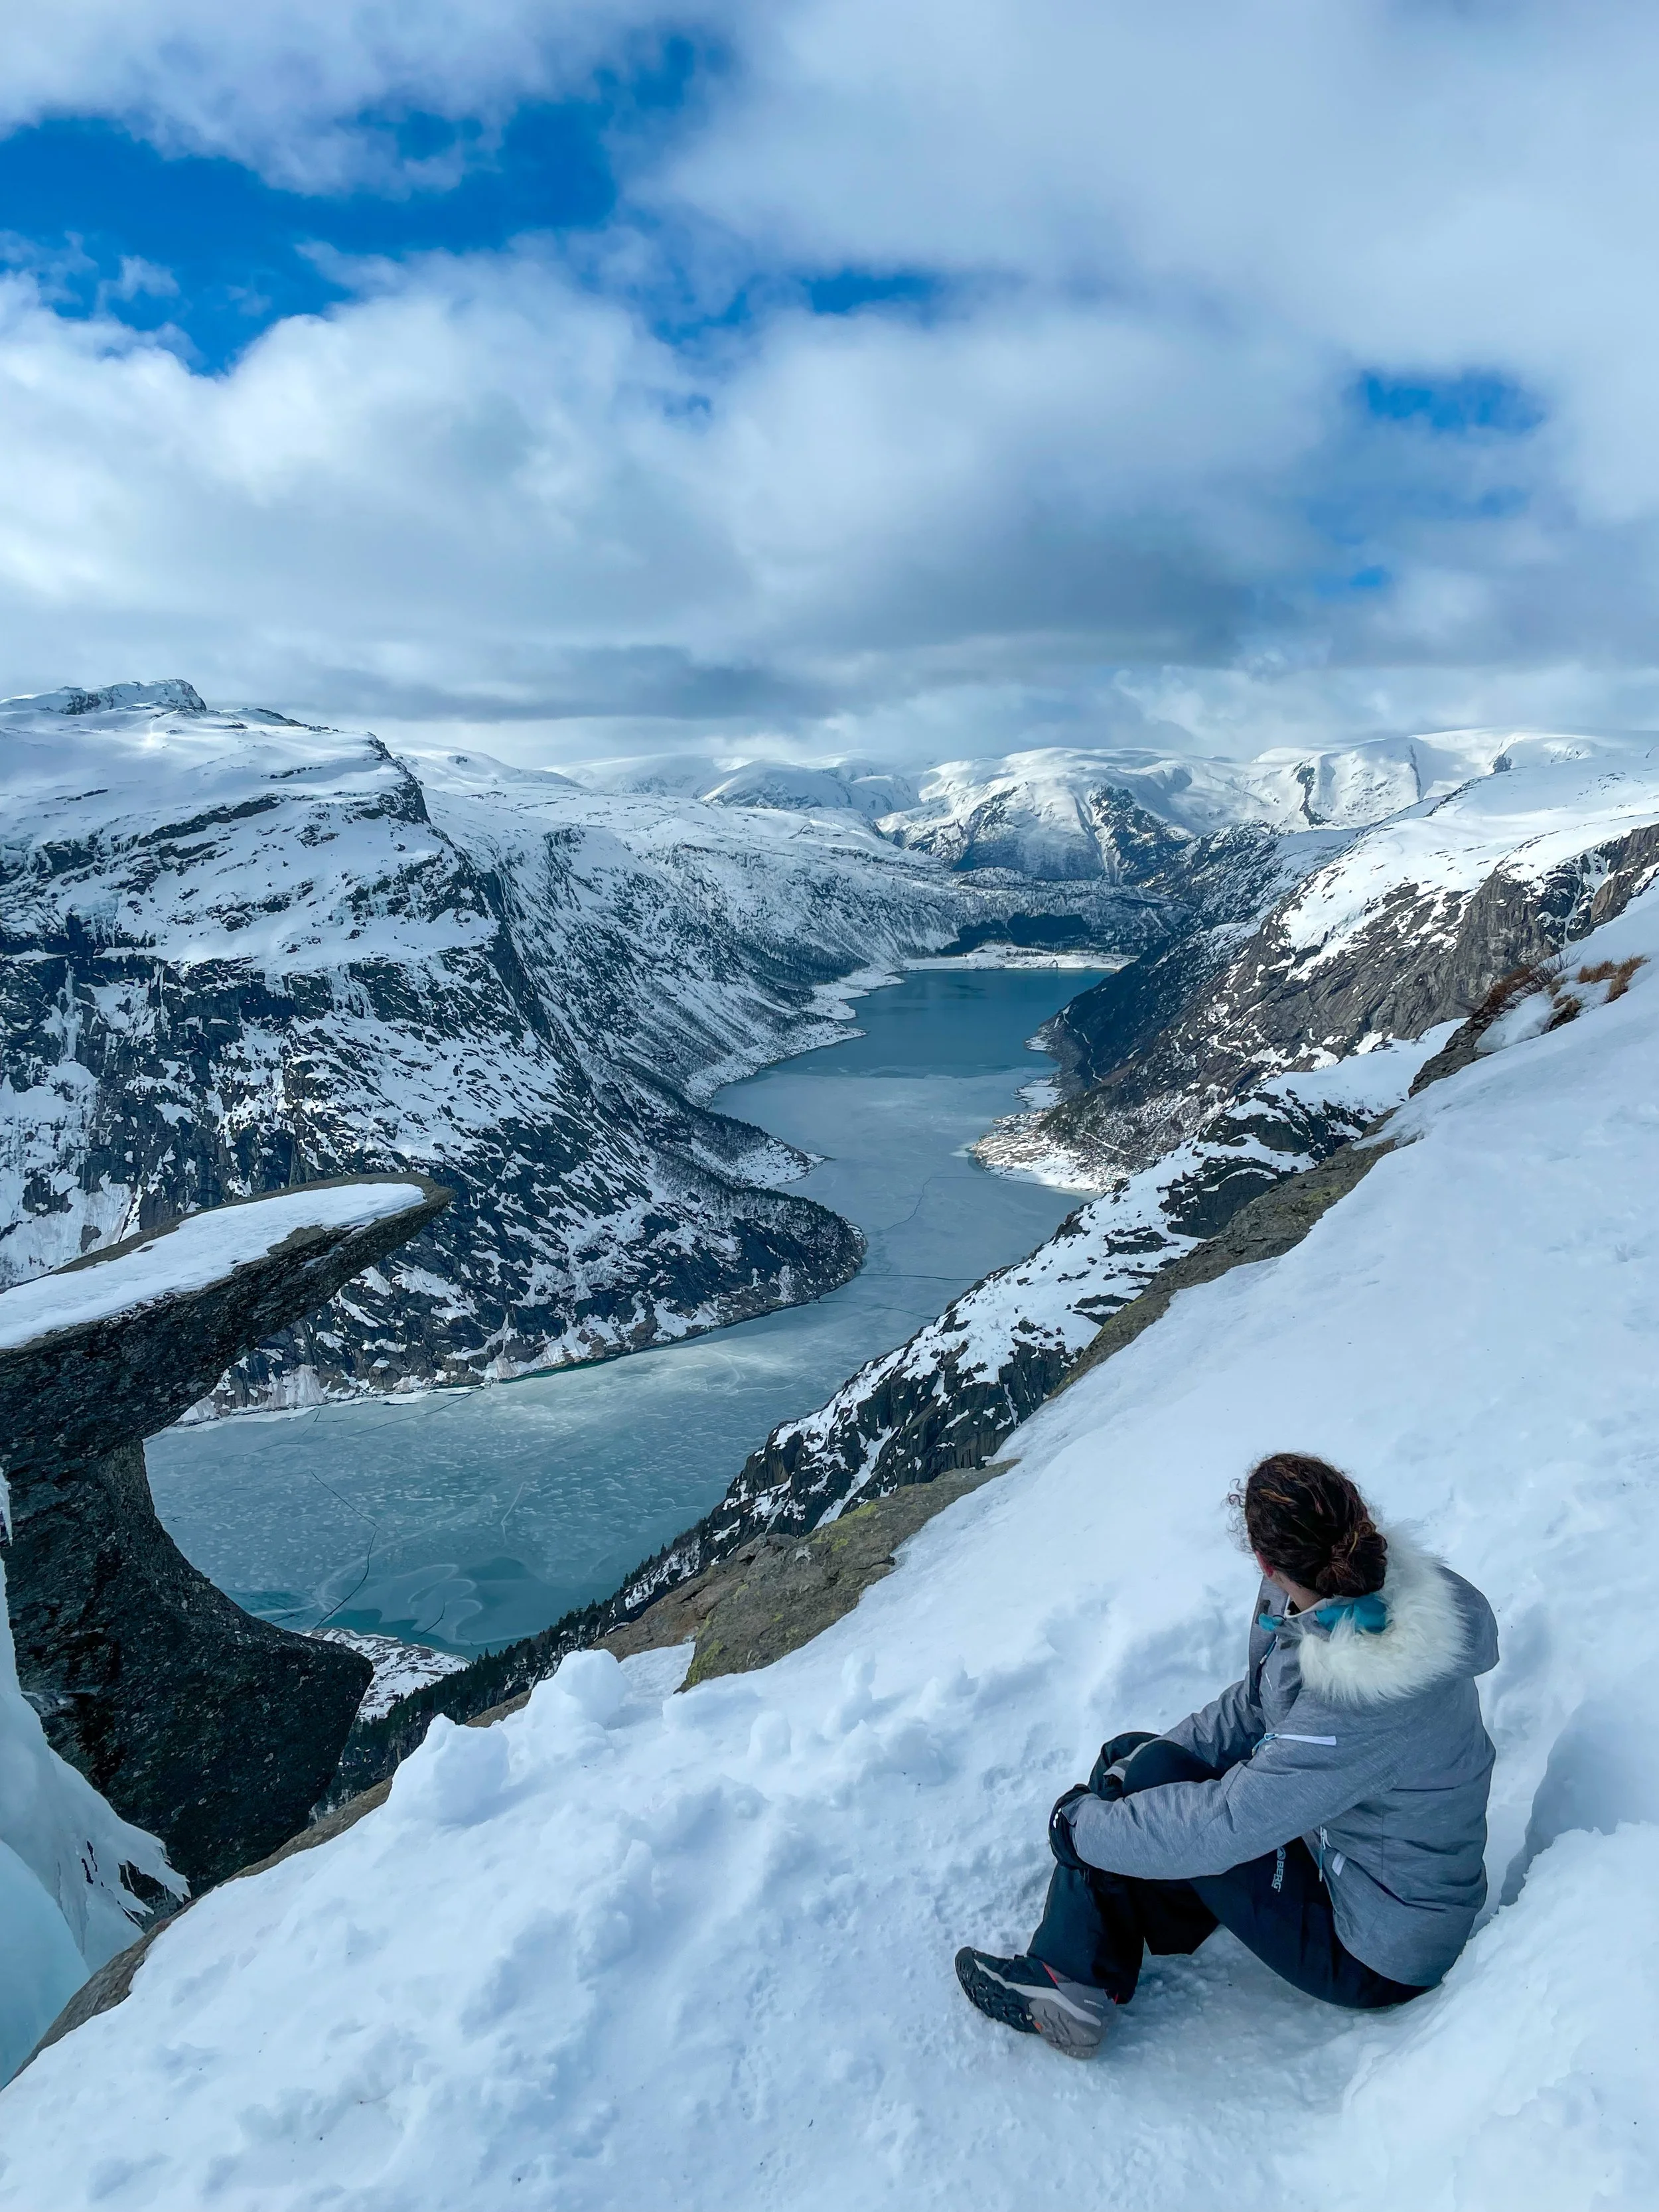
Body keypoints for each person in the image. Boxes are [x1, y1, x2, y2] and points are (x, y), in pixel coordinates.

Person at [956, 1453, 1499, 2059]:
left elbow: (1227, 1825)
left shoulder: (1370, 1692)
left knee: (1150, 1802)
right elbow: (1255, 1705)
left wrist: (1079, 1829)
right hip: (1346, 1854)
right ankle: (1113, 1931)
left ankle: (1067, 1982)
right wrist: (1140, 1774)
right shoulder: (1345, 1592)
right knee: (1138, 1758)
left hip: (1379, 1948)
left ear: (1265, 1559)